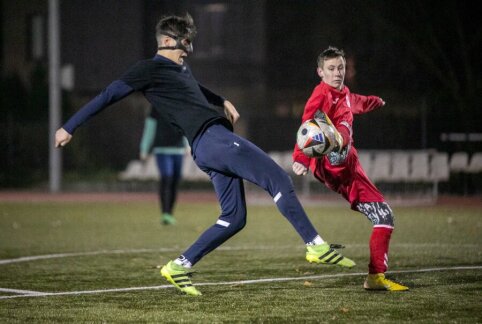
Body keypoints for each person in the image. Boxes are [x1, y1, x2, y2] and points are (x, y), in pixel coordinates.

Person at [55, 14, 356, 297]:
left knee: (234, 217)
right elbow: (108, 95)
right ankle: (315, 244)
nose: (190, 48)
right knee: (277, 177)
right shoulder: (148, 69)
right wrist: (69, 127)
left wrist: (222, 100)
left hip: (208, 148)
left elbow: (194, 88)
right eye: (186, 42)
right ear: (170, 41)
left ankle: (179, 266)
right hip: (214, 141)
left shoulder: (180, 69)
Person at [292, 46, 409, 291]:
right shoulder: (321, 94)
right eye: (331, 69)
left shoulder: (345, 94)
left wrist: (377, 101)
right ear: (320, 72)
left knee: (384, 218)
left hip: (352, 171)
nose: (337, 73)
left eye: (341, 68)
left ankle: (376, 277)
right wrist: (301, 159)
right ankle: (335, 145)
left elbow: (360, 102)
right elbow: (307, 126)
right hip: (332, 167)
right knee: (335, 141)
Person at [139, 107, 188, 225]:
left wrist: (187, 144)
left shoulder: (178, 105)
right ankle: (165, 213)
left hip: (178, 149)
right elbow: (149, 129)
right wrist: (144, 149)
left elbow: (185, 125)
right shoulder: (156, 107)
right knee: (166, 177)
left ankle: (170, 213)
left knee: (175, 181)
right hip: (161, 149)